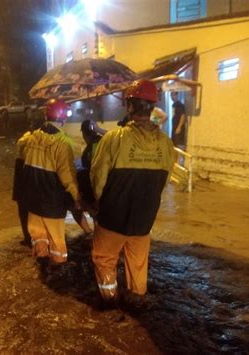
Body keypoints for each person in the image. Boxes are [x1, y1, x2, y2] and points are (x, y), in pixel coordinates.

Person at [90, 79, 175, 308]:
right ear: (152, 107)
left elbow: (98, 178)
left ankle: (110, 301)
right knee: (138, 263)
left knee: (105, 259)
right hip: (144, 219)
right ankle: (137, 302)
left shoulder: (113, 138)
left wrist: (98, 203)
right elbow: (165, 180)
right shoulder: (166, 144)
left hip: (113, 217)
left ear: (129, 106)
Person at [21, 98, 81, 264]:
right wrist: (77, 197)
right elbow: (67, 174)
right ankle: (58, 269)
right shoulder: (63, 143)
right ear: (62, 116)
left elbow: (24, 160)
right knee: (57, 243)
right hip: (52, 201)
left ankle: (41, 265)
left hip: (32, 198)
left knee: (38, 237)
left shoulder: (32, 138)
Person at [71, 120, 104, 234]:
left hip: (94, 186)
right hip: (108, 186)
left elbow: (89, 168)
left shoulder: (90, 148)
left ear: (84, 134)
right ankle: (97, 234)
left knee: (75, 208)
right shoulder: (105, 140)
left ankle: (90, 233)